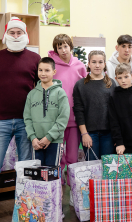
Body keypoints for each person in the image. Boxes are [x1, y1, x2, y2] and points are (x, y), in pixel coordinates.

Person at [0, 18, 41, 222]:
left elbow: (41, 90)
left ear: (24, 35)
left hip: (26, 122)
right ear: (6, 35)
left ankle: (24, 207)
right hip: (0, 121)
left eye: (18, 33)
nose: (15, 36)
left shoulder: (35, 58)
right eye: (12, 32)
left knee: (24, 167)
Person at [48, 34, 87, 185]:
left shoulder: (80, 65)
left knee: (72, 156)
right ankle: (58, 185)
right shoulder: (52, 66)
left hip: (75, 119)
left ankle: (72, 189)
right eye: (59, 47)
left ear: (71, 47)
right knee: (58, 157)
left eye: (65, 46)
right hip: (56, 120)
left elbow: (85, 89)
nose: (63, 50)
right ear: (56, 49)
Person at [23, 57, 70, 166]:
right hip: (36, 142)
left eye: (47, 70)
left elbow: (63, 118)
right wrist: (33, 138)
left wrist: (49, 137)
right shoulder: (31, 94)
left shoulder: (60, 93)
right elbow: (27, 118)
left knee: (51, 174)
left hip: (54, 141)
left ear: (54, 72)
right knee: (37, 175)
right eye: (40, 70)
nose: (43, 73)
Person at [73, 50, 115, 161]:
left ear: (104, 64)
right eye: (94, 62)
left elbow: (116, 111)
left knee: (107, 168)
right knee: (92, 168)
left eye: (100, 62)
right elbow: (78, 110)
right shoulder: (81, 85)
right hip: (90, 133)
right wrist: (84, 134)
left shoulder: (111, 83)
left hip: (109, 134)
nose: (97, 65)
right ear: (89, 64)